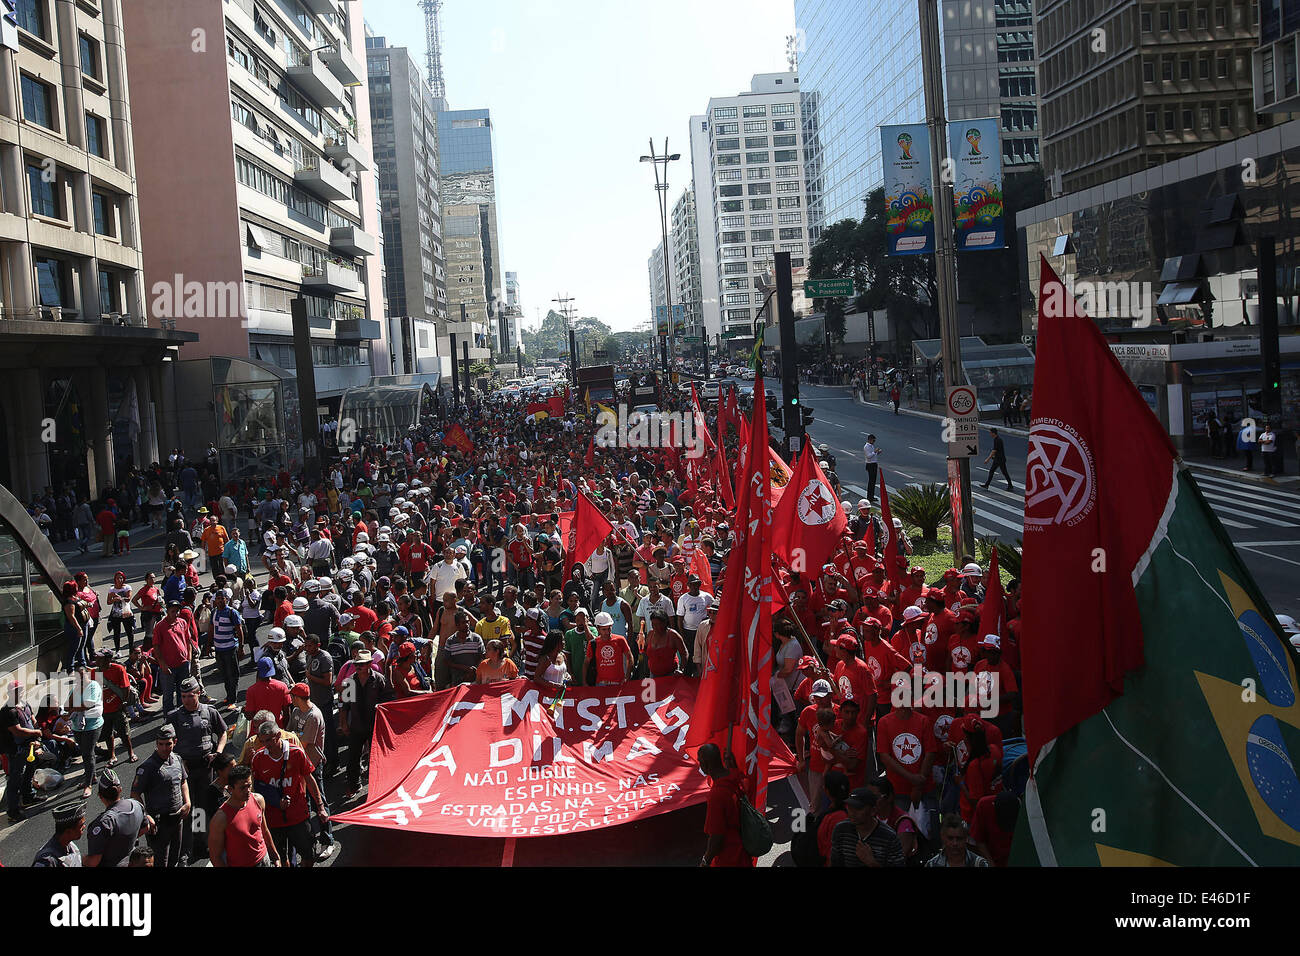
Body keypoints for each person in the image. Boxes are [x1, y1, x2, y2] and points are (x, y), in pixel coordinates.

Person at [249, 719, 328, 867]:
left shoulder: (296, 753)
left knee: (308, 855)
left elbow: (310, 780)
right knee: (281, 858)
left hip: (298, 816)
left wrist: (320, 807)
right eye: (262, 741)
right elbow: (257, 789)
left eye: (269, 740)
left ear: (278, 735)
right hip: (273, 819)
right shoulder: (258, 758)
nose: (266, 744)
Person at [167, 677, 228, 863]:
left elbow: (223, 732)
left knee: (201, 808)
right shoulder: (174, 716)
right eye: (183, 696)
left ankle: (201, 845)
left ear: (198, 693)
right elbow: (166, 743)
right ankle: (186, 850)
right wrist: (178, 761)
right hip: (185, 769)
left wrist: (217, 752)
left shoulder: (209, 712)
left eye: (190, 695)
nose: (186, 700)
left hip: (205, 768)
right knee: (186, 809)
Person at [131, 724, 191, 868]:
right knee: (159, 861)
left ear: (174, 742)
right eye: (161, 744)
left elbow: (183, 781)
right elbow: (135, 794)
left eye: (168, 744)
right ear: (156, 744)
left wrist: (187, 802)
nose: (164, 748)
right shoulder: (147, 767)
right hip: (158, 822)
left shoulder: (177, 759)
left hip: (177, 817)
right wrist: (146, 816)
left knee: (174, 857)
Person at [340, 650, 389, 799]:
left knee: (377, 757)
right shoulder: (350, 681)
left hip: (374, 725)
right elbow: (345, 705)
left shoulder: (379, 679)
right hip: (356, 725)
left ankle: (378, 786)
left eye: (361, 664)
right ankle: (354, 785)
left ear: (369, 664)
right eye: (356, 664)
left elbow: (387, 702)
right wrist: (343, 723)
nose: (358, 666)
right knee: (353, 757)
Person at [209, 765, 280, 867]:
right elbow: (215, 856)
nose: (248, 790)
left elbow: (264, 831)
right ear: (230, 789)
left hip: (264, 860)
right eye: (242, 787)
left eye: (249, 785)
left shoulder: (258, 800)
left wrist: (275, 856)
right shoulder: (220, 818)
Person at [698, 742, 751, 867]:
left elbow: (716, 837)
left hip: (730, 858)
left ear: (706, 764)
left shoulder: (716, 795)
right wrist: (733, 766)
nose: (699, 765)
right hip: (744, 850)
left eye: (700, 761)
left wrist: (706, 860)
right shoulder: (736, 776)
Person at [83, 769, 148, 867]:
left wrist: (81, 859)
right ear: (120, 789)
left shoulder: (103, 823)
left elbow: (93, 862)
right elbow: (145, 828)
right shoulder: (136, 805)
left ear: (100, 796)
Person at [828, 786, 905, 867]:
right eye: (850, 807)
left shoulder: (890, 837)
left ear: (873, 811)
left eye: (858, 808)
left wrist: (871, 862)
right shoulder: (841, 829)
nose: (852, 813)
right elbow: (835, 862)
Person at [925, 814, 991, 867]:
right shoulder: (931, 864)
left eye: (959, 839)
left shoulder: (979, 864)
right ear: (943, 838)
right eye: (950, 838)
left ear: (966, 839)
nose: (955, 843)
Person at [33, 803, 85, 867]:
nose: (84, 827)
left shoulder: (70, 846)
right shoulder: (47, 861)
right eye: (81, 826)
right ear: (68, 831)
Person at [863, 434, 880, 502]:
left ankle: (871, 496)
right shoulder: (866, 447)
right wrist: (875, 452)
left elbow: (873, 455)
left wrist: (877, 453)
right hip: (870, 465)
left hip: (874, 464)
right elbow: (868, 456)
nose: (874, 442)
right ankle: (869, 497)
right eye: (873, 440)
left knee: (873, 481)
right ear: (869, 440)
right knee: (871, 481)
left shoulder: (871, 446)